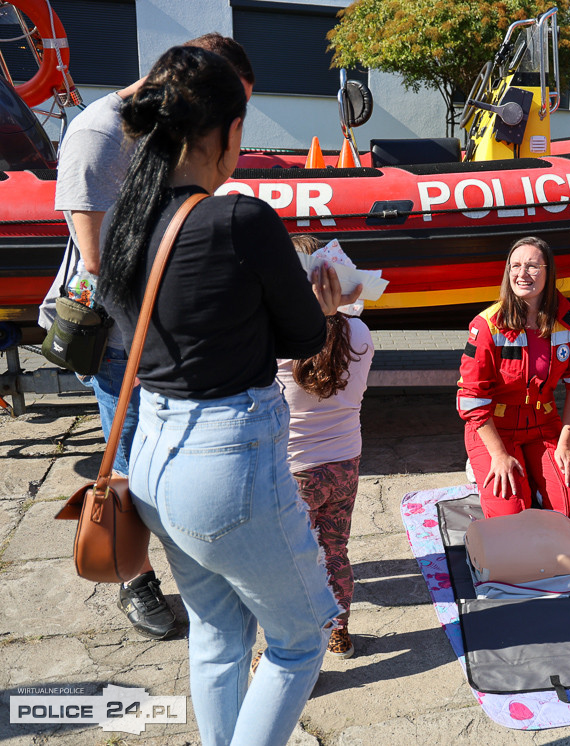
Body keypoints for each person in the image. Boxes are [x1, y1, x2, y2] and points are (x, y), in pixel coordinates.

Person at [100, 46, 344, 746]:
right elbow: (303, 339)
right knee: (300, 640)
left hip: (152, 454)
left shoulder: (126, 222)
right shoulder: (241, 220)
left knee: (215, 634)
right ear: (228, 132)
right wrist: (321, 306)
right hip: (227, 462)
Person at [39, 32, 255, 641]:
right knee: (126, 460)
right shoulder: (98, 136)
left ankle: (190, 566)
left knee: (165, 456)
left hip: (158, 324)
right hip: (116, 336)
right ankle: (132, 579)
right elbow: (98, 262)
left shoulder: (171, 132)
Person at [275, 235, 373, 660]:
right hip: (345, 463)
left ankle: (294, 647)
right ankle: (339, 631)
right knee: (336, 552)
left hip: (293, 470)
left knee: (291, 565)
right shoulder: (362, 334)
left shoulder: (279, 342)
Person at [457, 236, 570, 521]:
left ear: (549, 272)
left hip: (544, 425)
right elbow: (472, 400)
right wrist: (497, 454)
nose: (522, 274)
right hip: (495, 428)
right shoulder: (486, 325)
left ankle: (535, 471)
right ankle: (483, 462)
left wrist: (565, 445)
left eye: (533, 266)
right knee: (512, 516)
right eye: (515, 266)